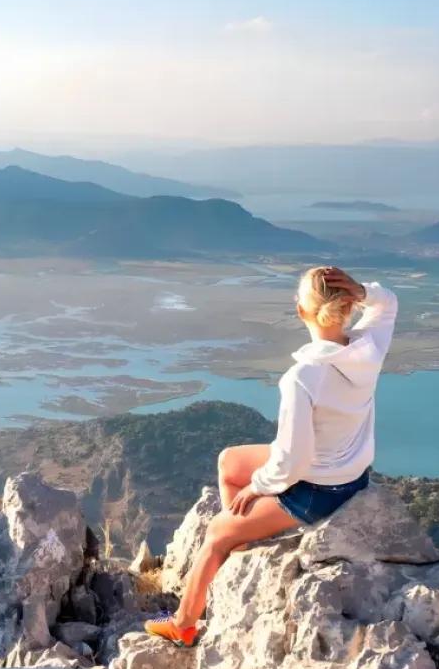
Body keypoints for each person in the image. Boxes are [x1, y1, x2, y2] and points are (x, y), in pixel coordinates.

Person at [145, 265, 398, 647]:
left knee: (214, 533)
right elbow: (389, 305)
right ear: (349, 306)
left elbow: (293, 459)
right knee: (230, 462)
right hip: (350, 475)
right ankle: (242, 543)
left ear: (302, 312)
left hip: (318, 488)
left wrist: (257, 487)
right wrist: (366, 291)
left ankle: (183, 623)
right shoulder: (369, 349)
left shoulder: (303, 377)